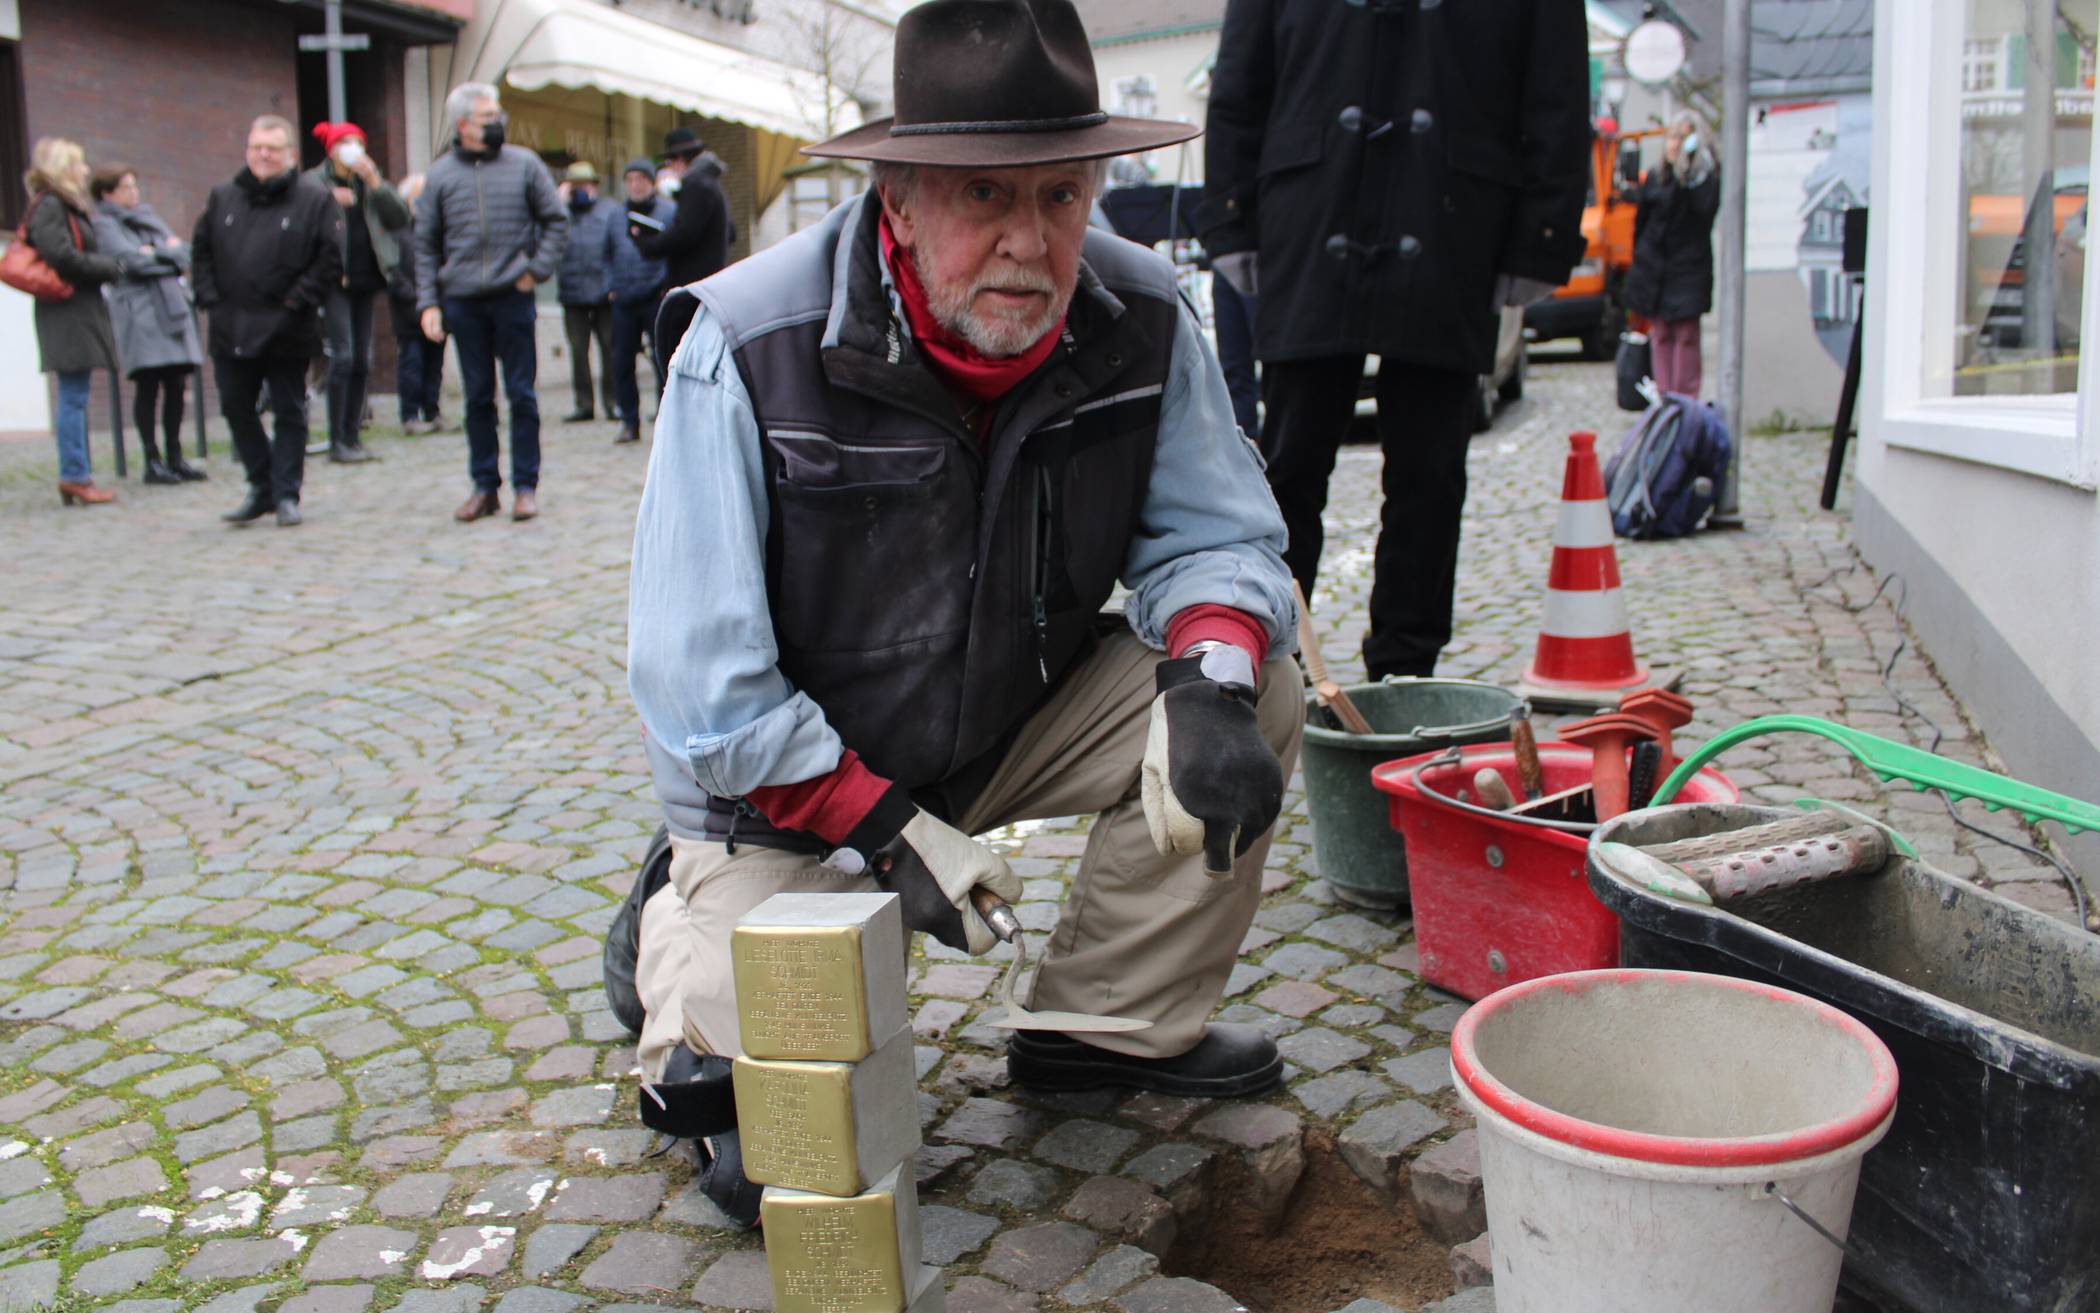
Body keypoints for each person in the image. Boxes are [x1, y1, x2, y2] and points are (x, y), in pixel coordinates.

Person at [613, 0, 1303, 1225]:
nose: (1030, 242)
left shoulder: (1142, 315)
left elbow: (1220, 535)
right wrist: (879, 824)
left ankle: (1104, 1023)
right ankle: (679, 913)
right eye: (986, 198)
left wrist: (1210, 679)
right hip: (796, 787)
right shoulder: (746, 343)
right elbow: (700, 682)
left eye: (1060, 196)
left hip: (1003, 718)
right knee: (766, 1159)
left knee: (1260, 685)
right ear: (899, 201)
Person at [1201, 0, 1588, 679]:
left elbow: (1556, 85)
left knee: (1431, 476)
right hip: (1311, 209)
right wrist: (1231, 215)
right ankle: (1267, 666)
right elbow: (1238, 79)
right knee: (1288, 467)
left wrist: (1543, 232)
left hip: (1453, 218)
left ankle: (1405, 673)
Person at [415, 81, 567, 523]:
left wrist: (534, 271)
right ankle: (485, 487)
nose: (498, 122)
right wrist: (429, 302)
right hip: (463, 300)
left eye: (498, 114)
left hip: (512, 298)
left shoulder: (524, 165)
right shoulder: (441, 175)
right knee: (478, 397)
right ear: (463, 125)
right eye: (488, 116)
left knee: (522, 393)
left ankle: (526, 486)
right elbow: (424, 244)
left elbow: (556, 221)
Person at [193, 114, 342, 527]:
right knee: (235, 406)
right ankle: (262, 484)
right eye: (257, 147)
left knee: (289, 410)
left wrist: (297, 301)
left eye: (273, 148)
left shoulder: (314, 199)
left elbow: (328, 258)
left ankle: (287, 491)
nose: (263, 155)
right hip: (231, 324)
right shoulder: (223, 196)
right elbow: (201, 250)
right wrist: (210, 298)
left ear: (290, 155)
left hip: (287, 326)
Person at [90, 163, 206, 486]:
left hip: (169, 309)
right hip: (140, 314)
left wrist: (156, 254)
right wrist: (163, 256)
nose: (133, 192)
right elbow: (131, 264)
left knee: (176, 385)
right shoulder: (104, 225)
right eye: (126, 187)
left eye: (134, 186)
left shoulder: (148, 218)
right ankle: (152, 460)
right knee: (149, 385)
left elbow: (185, 254)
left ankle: (175, 456)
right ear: (107, 193)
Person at [25, 138, 125, 507]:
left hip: (74, 309)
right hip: (66, 311)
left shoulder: (58, 205)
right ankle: (74, 474)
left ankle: (77, 473)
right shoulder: (51, 205)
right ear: (65, 168)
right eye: (79, 164)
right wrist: (109, 267)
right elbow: (61, 256)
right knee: (73, 395)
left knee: (76, 393)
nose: (85, 171)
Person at [307, 121, 409, 464]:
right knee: (343, 356)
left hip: (366, 280)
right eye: (347, 143)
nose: (354, 150)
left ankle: (352, 436)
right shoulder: (315, 183)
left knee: (363, 361)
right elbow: (298, 213)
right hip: (334, 281)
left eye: (358, 143)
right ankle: (337, 440)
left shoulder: (369, 181)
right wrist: (327, 198)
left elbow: (399, 218)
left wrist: (376, 183)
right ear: (333, 150)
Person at [1626, 113, 1721, 400]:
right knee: (1661, 333)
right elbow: (1642, 223)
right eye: (1672, 137)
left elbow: (1706, 213)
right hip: (1655, 268)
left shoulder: (1704, 178)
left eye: (1682, 138)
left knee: (1686, 334)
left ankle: (1684, 398)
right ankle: (1664, 398)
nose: (1674, 145)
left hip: (1688, 268)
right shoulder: (1656, 177)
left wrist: (1689, 175)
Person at [628, 126, 730, 375]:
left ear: (679, 160)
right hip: (706, 284)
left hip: (691, 285)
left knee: (680, 356)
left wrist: (648, 243)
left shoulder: (696, 183)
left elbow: (685, 233)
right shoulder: (711, 183)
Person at [605, 157, 673, 444]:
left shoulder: (669, 212)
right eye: (630, 180)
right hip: (623, 297)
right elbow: (605, 254)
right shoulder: (615, 215)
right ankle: (629, 421)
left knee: (662, 358)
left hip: (655, 295)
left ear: (651, 182)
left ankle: (666, 419)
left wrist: (666, 285)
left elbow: (675, 250)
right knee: (621, 361)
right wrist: (610, 286)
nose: (635, 185)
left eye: (641, 179)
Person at [555, 161, 615, 422]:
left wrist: (614, 284)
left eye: (584, 184)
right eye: (575, 185)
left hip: (605, 293)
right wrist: (559, 204)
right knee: (578, 350)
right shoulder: (559, 215)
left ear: (593, 185)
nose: (581, 190)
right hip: (572, 293)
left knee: (610, 349)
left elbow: (618, 248)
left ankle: (613, 402)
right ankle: (584, 404)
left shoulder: (609, 211)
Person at [388, 174, 446, 434]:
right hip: (408, 311)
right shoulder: (397, 233)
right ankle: (410, 415)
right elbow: (393, 272)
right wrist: (416, 296)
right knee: (412, 363)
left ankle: (432, 411)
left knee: (435, 364)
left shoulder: (438, 232)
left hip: (436, 307)